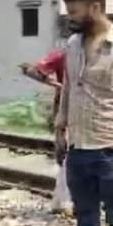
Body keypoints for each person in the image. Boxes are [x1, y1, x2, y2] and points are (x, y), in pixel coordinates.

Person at [48, 0, 113, 226]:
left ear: (95, 8)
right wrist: (60, 130)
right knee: (86, 215)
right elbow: (70, 88)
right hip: (79, 147)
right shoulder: (73, 45)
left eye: (74, 12)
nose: (69, 18)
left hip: (110, 148)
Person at [19, 48, 72, 215]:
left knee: (66, 154)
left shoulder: (64, 53)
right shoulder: (100, 51)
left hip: (65, 105)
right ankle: (69, 199)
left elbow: (32, 70)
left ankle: (64, 200)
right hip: (85, 107)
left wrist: (55, 84)